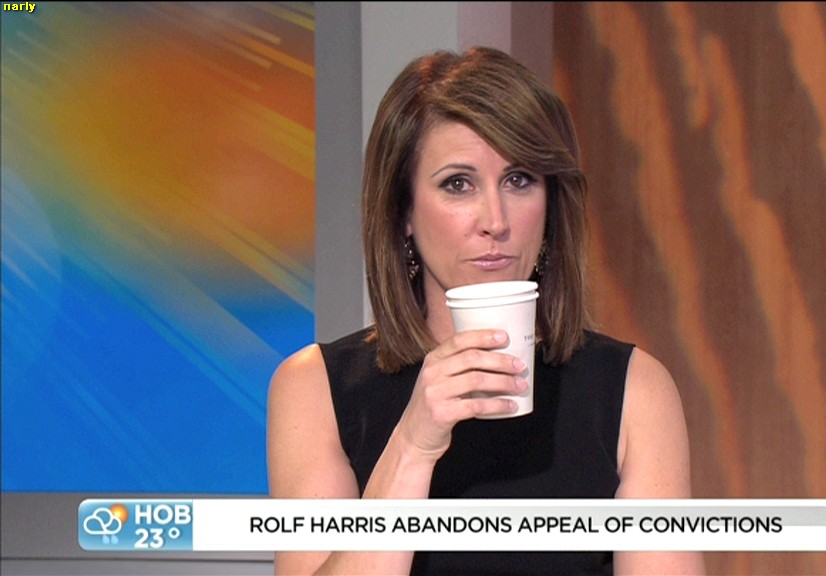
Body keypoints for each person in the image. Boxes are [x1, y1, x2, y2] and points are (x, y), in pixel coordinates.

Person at [267, 46, 705, 576]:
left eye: (519, 180)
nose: (495, 220)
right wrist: (413, 446)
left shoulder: (634, 390)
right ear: (403, 211)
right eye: (458, 184)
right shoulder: (315, 389)